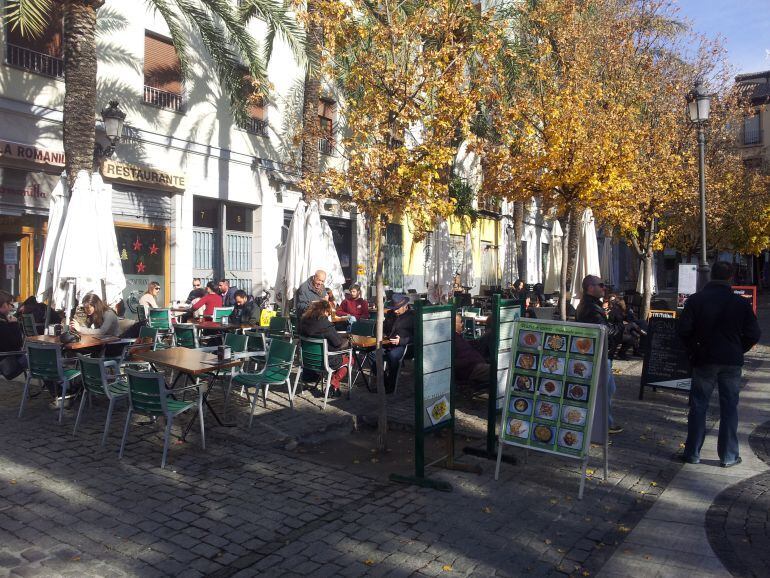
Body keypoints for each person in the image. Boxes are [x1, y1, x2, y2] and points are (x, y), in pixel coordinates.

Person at [677, 261, 761, 467]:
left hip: (704, 359)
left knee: (698, 406)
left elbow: (683, 330)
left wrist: (694, 349)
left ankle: (692, 453)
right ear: (731, 277)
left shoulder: (696, 301)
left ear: (711, 275)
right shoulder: (740, 303)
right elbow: (754, 333)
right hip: (731, 360)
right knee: (729, 407)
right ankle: (729, 455)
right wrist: (738, 348)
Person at [576, 275, 624, 434]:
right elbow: (604, 331)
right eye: (601, 285)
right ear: (590, 288)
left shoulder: (592, 304)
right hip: (598, 355)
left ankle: (603, 422)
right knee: (605, 390)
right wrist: (619, 326)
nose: (604, 288)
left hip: (598, 354)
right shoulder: (590, 307)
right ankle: (604, 424)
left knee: (608, 389)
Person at [300, 300, 350, 397]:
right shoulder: (325, 323)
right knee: (350, 359)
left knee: (337, 355)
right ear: (325, 311)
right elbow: (338, 343)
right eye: (328, 313)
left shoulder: (304, 320)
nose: (328, 315)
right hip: (325, 361)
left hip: (308, 360)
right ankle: (333, 384)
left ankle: (333, 386)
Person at [378, 293, 415, 393]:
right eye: (394, 308)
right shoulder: (391, 313)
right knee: (373, 354)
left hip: (405, 346)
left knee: (393, 355)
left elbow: (418, 336)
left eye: (398, 308)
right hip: (388, 343)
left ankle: (391, 385)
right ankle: (384, 381)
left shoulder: (413, 316)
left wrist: (401, 341)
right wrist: (382, 333)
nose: (395, 310)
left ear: (405, 306)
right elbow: (384, 328)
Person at [454, 313, 490, 392]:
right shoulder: (452, 339)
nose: (462, 324)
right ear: (454, 324)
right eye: (460, 322)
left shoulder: (457, 337)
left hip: (475, 366)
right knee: (498, 371)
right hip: (471, 369)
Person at [0, 291, 26, 380]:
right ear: (3, 305)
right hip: (8, 364)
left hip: (5, 358)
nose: (12, 307)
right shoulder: (3, 323)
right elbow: (17, 345)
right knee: (41, 359)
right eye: (10, 304)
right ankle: (58, 390)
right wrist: (14, 325)